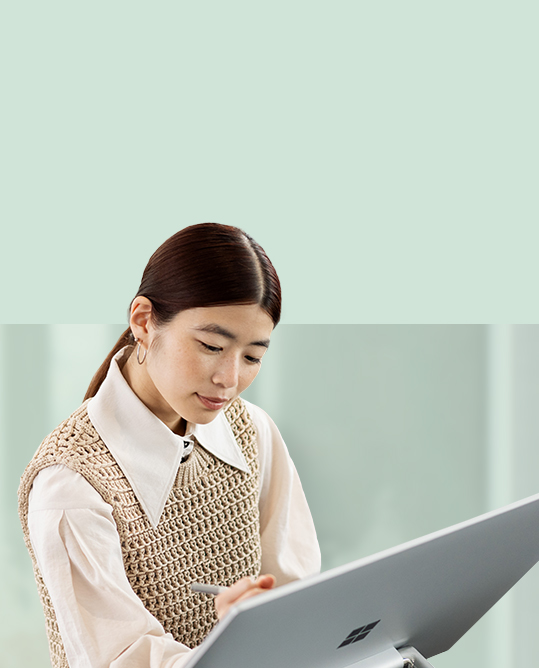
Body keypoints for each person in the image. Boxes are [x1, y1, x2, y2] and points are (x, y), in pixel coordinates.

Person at [18, 223, 320, 668]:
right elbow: (120, 660)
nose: (230, 379)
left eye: (253, 356)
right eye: (212, 346)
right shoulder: (70, 486)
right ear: (143, 322)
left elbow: (299, 598)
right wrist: (234, 645)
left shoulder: (252, 434)